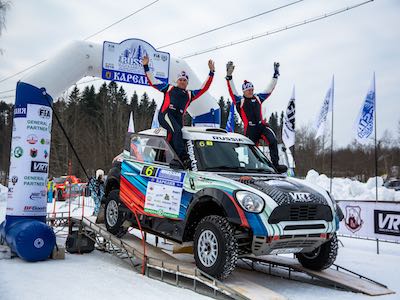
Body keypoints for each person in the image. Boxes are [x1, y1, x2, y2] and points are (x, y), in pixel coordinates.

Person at [142, 55, 215, 167]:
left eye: (184, 80)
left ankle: (167, 159)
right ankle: (184, 158)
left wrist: (211, 73)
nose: (182, 82)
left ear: (187, 83)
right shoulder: (169, 88)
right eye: (180, 80)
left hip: (177, 119)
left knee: (173, 137)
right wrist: (146, 66)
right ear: (177, 81)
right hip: (166, 115)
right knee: (177, 132)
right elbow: (153, 81)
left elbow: (204, 88)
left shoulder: (190, 94)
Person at [225, 61, 288, 173]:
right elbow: (232, 91)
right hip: (250, 128)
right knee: (251, 148)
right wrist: (229, 77)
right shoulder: (240, 101)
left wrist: (275, 74)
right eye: (249, 90)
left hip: (261, 126)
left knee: (272, 140)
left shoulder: (258, 98)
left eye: (252, 89)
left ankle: (275, 165)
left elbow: (270, 89)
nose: (251, 91)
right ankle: (254, 167)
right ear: (244, 91)